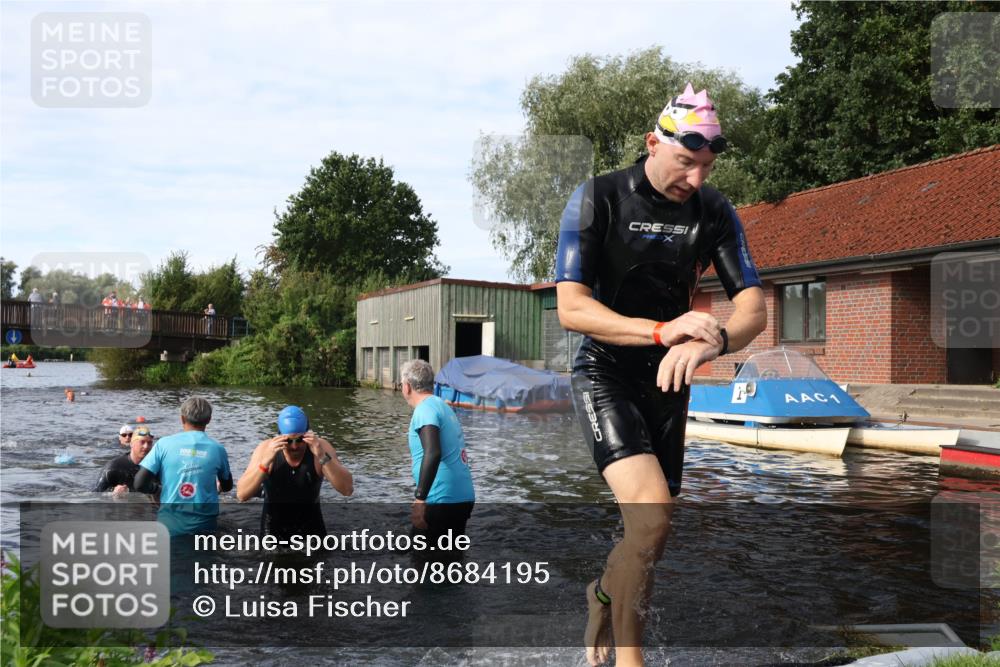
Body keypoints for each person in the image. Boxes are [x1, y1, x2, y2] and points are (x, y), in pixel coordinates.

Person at [555, 83, 767, 667]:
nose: (696, 179)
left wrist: (717, 338)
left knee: (651, 534)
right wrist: (659, 329)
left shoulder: (714, 210)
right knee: (651, 511)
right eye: (685, 162)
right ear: (653, 143)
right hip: (605, 369)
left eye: (706, 165)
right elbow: (572, 308)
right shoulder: (596, 198)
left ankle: (600, 596)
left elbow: (754, 306)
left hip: (670, 379)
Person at [236, 406, 353, 538]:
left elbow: (347, 489)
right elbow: (241, 495)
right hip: (273, 532)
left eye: (299, 440)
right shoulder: (266, 449)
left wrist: (322, 457)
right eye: (288, 441)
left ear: (307, 434)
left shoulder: (320, 448)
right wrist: (265, 463)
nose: (294, 446)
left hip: (312, 531)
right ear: (279, 436)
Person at [399, 359, 475, 545]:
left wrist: (420, 500)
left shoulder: (424, 410)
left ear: (407, 387)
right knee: (451, 562)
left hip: (440, 498)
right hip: (462, 497)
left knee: (425, 565)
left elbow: (433, 452)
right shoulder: (442, 406)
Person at [134, 397, 233, 536]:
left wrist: (156, 489)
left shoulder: (163, 444)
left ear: (182, 418)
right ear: (209, 420)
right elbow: (228, 486)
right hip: (205, 527)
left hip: (169, 527)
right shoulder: (218, 449)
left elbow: (139, 483)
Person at [94, 426, 160, 498]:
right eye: (142, 442)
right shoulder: (113, 468)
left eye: (149, 443)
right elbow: (94, 496)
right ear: (131, 444)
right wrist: (111, 494)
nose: (146, 446)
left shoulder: (156, 467)